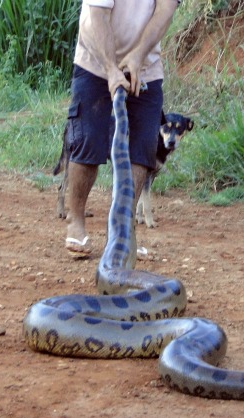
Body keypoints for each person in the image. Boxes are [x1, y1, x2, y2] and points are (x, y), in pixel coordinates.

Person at [63, 0, 180, 258]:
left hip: (145, 67)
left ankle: (123, 232)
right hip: (95, 62)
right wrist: (111, 69)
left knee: (141, 148)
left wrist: (137, 56)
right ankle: (76, 222)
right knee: (87, 142)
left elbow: (165, 10)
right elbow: (98, 15)